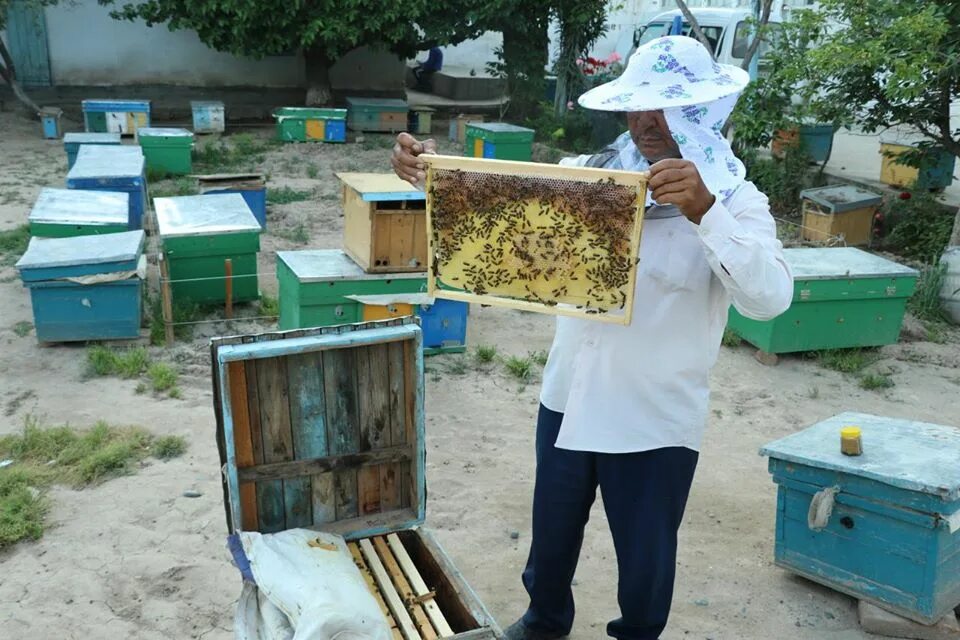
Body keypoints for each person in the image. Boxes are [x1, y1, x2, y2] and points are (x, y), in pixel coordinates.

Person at [391, 36, 793, 640]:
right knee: (551, 536)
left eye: (663, 108)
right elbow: (502, 203)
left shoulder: (737, 200)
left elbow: (771, 298)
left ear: (703, 110)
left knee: (645, 557)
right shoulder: (590, 174)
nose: (644, 122)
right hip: (568, 397)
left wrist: (707, 213)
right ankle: (544, 621)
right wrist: (430, 173)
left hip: (652, 418)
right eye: (636, 107)